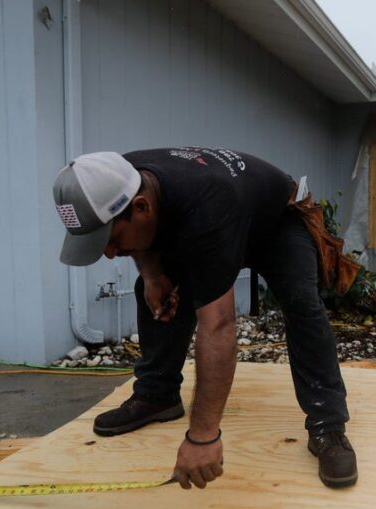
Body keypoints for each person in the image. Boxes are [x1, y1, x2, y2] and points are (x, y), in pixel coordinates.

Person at [51, 149, 357, 489]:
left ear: (141, 208)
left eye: (112, 239)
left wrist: (203, 438)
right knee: (155, 289)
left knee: (301, 301)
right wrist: (153, 276)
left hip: (276, 222)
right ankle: (157, 395)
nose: (108, 254)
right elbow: (147, 244)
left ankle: (327, 424)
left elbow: (218, 325)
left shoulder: (206, 206)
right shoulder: (118, 178)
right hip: (219, 214)